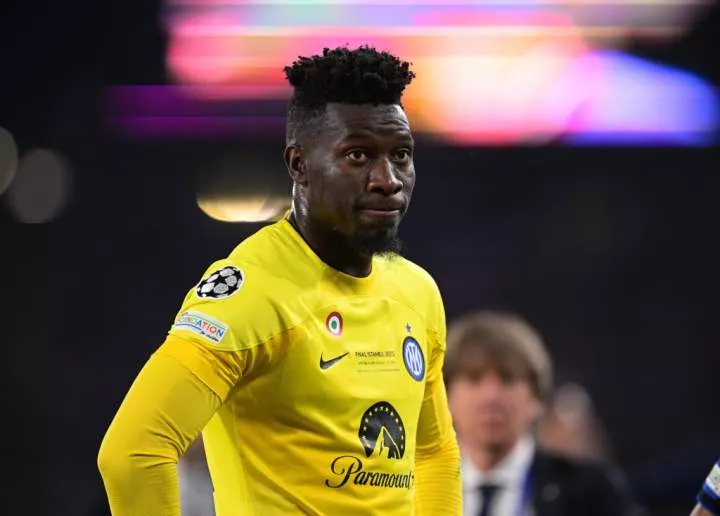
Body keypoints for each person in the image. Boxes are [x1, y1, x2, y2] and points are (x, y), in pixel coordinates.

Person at [97, 45, 462, 515]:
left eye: (401, 155)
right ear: (298, 165)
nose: (387, 179)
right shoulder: (251, 293)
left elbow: (432, 454)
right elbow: (133, 455)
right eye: (358, 155)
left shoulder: (417, 293)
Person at [445, 310, 636, 516]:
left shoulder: (592, 493)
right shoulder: (416, 489)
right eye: (474, 379)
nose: (491, 397)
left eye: (507, 379)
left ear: (537, 399)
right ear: (446, 397)